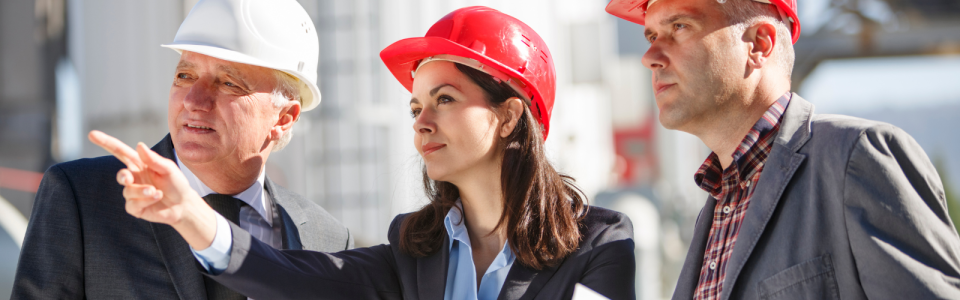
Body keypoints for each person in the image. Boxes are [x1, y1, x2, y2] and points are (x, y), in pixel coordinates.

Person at [90, 6, 636, 300]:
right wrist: (190, 215)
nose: (422, 121)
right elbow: (287, 275)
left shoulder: (601, 244)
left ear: (510, 116)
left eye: (444, 100)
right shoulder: (413, 248)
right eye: (415, 106)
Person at [604, 0, 960, 299]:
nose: (650, 55)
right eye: (651, 35)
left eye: (679, 27)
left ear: (759, 44)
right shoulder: (713, 213)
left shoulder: (857, 158)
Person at [11, 0, 353, 299]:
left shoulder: (328, 240)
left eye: (228, 82)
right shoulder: (84, 200)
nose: (193, 101)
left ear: (284, 117)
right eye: (185, 76)